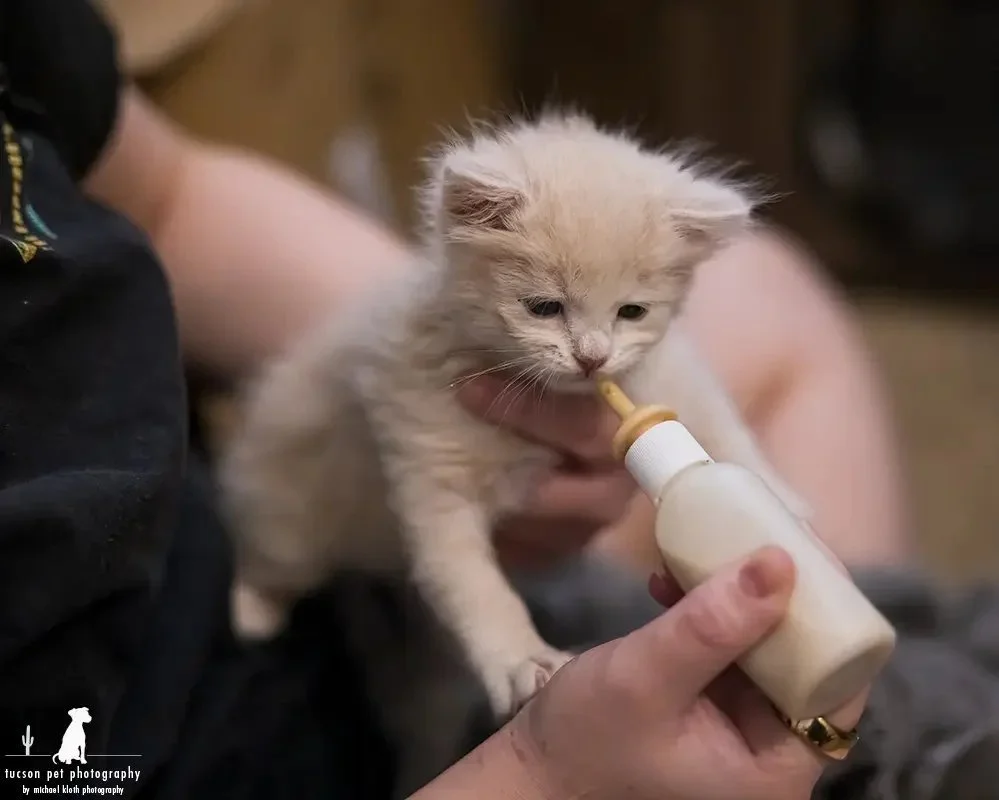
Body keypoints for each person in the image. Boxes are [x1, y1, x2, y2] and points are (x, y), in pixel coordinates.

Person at [0, 1, 875, 797]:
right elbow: (443, 516)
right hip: (232, 708)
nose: (594, 349)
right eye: (546, 307)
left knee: (770, 296)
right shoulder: (416, 348)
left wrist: (761, 488)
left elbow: (166, 194)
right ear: (467, 227)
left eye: (634, 311)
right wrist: (539, 759)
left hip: (195, 530)